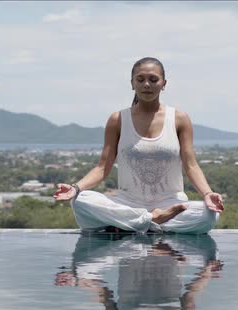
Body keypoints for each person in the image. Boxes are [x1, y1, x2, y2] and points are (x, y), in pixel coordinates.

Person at [53, 57, 224, 234]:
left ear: (164, 84)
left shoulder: (179, 118)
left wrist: (207, 194)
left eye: (153, 79)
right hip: (127, 203)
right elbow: (102, 167)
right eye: (140, 80)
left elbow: (191, 165)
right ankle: (151, 220)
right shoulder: (117, 120)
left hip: (169, 203)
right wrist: (75, 188)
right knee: (81, 200)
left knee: (209, 215)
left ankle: (129, 224)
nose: (147, 85)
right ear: (132, 84)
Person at [54, 233, 224, 310]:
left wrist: (79, 278)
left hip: (137, 254)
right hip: (160, 256)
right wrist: (207, 272)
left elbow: (105, 298)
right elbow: (189, 300)